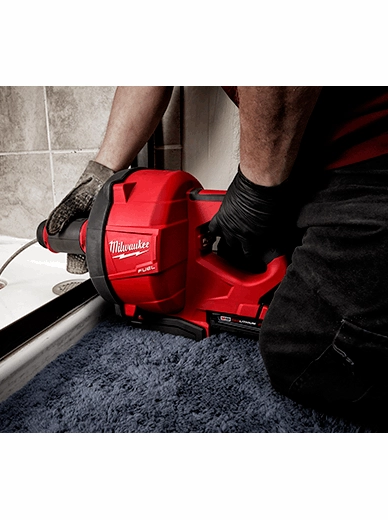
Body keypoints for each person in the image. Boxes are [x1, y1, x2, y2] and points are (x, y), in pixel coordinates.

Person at [47, 86, 388, 428]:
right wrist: (103, 172)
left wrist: (256, 189)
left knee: (306, 349)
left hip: (370, 163)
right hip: (305, 167)